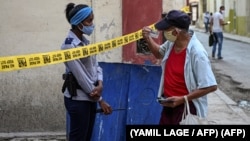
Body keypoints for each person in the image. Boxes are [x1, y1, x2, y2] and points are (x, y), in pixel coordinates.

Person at [142, 10, 217, 125]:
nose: (164, 33)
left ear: (176, 32)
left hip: (187, 108)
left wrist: (183, 99)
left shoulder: (197, 53)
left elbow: (210, 86)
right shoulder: (172, 44)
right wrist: (148, 39)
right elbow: (159, 53)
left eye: (166, 30)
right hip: (169, 104)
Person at [61, 3, 112, 141]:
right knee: (78, 138)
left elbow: (96, 66)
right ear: (78, 23)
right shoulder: (69, 46)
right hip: (78, 99)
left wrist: (100, 83)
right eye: (89, 20)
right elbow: (81, 77)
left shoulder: (85, 42)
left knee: (87, 137)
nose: (92, 24)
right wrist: (100, 99)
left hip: (91, 96)